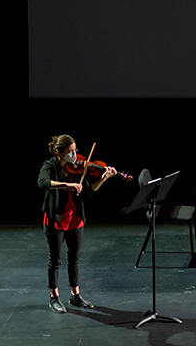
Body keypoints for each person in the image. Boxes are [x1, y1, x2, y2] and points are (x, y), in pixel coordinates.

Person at [38, 134, 116, 314]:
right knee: (55, 260)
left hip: (75, 219)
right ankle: (54, 297)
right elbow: (42, 183)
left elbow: (87, 193)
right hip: (56, 220)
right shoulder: (50, 166)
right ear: (59, 152)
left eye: (76, 151)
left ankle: (75, 295)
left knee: (74, 258)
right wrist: (66, 184)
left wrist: (103, 179)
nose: (75, 156)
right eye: (70, 152)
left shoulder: (78, 168)